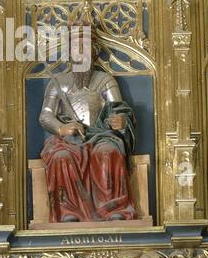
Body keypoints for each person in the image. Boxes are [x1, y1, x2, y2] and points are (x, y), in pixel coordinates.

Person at [38, 26, 137, 222]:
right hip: (69, 139)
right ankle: (69, 211)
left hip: (101, 135)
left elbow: (117, 109)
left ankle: (112, 209)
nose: (81, 52)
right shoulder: (59, 82)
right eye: (76, 47)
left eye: (85, 47)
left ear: (94, 52)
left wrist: (120, 121)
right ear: (69, 52)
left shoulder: (105, 80)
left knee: (108, 152)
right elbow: (45, 115)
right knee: (61, 157)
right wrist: (62, 128)